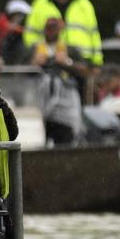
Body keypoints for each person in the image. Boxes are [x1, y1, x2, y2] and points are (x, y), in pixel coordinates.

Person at [24, 0, 103, 82]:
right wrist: (37, 53)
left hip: (80, 64)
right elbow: (30, 34)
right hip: (47, 63)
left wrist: (97, 63)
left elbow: (94, 35)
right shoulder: (40, 4)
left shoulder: (84, 5)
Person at [31, 17, 86, 145]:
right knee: (40, 135)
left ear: (60, 30)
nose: (51, 31)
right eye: (48, 28)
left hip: (65, 98)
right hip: (41, 97)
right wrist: (34, 63)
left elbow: (84, 71)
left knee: (66, 134)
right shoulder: (35, 48)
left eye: (54, 28)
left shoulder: (69, 49)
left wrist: (67, 62)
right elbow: (19, 72)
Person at [0, 0, 32, 67]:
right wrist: (26, 30)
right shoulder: (2, 19)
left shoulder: (15, 33)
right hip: (0, 54)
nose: (21, 18)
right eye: (20, 15)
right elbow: (10, 27)